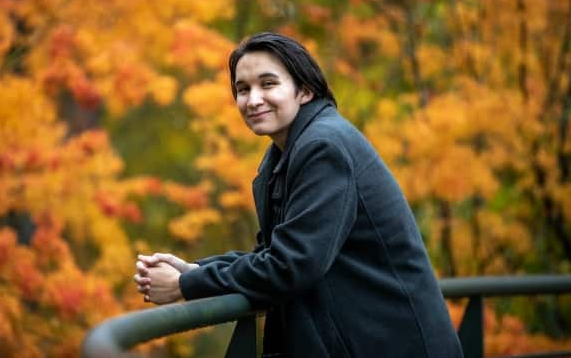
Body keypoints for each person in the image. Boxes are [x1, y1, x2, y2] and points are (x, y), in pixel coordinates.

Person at [134, 32, 464, 357]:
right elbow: (272, 253)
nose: (253, 100)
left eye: (268, 84)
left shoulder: (324, 147)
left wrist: (185, 286)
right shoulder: (284, 155)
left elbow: (291, 266)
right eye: (242, 89)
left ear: (304, 90)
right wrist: (193, 269)